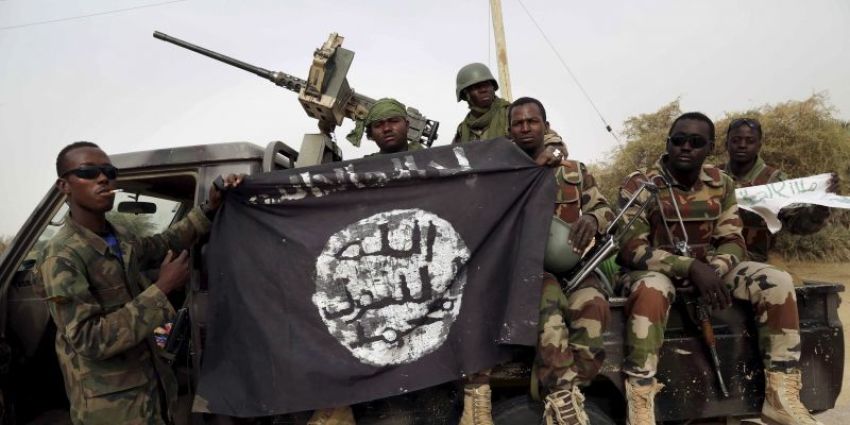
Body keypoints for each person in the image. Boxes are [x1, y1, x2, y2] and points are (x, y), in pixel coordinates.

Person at [616, 113, 822, 425]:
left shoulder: (720, 183)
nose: (686, 147)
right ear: (667, 143)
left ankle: (780, 393)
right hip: (656, 270)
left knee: (776, 280)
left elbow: (732, 239)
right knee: (652, 290)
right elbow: (632, 248)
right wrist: (689, 268)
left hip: (710, 269)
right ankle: (641, 400)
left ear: (711, 148)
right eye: (678, 140)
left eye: (696, 142)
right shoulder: (642, 184)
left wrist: (713, 268)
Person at [36, 141, 243, 425]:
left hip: (150, 387)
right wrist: (162, 289)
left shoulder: (120, 236)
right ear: (64, 186)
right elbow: (89, 339)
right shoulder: (61, 256)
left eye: (108, 171)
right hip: (112, 408)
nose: (103, 178)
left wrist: (209, 206)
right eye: (88, 172)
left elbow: (164, 242)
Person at [509, 97, 615, 425]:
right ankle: (562, 395)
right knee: (548, 309)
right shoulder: (503, 174)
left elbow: (604, 208)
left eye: (532, 121)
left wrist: (594, 220)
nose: (526, 127)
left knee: (595, 306)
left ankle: (571, 389)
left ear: (545, 125)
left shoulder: (574, 171)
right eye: (518, 123)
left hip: (576, 267)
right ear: (510, 130)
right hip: (530, 271)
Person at [719, 117, 838, 262]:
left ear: (759, 145)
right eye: (736, 140)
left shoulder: (775, 182)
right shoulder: (713, 176)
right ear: (727, 144)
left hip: (755, 263)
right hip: (712, 259)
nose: (742, 145)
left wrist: (819, 209)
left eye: (750, 141)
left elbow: (796, 224)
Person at [452, 63, 566, 166]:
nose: (483, 90)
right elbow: (453, 160)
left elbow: (556, 145)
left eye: (486, 85)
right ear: (465, 94)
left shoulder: (513, 116)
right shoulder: (463, 130)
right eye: (476, 87)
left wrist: (555, 152)